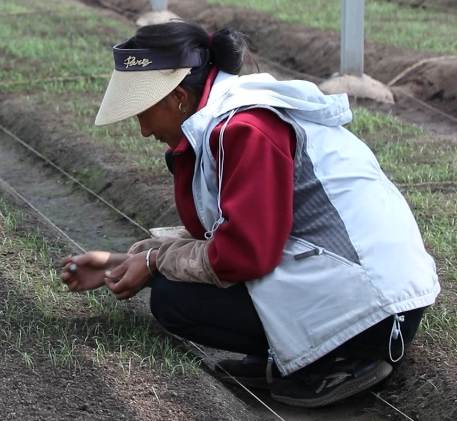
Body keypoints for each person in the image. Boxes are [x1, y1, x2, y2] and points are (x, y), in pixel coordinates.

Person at [60, 21, 439, 408]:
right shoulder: (225, 122)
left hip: (377, 312)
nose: (142, 130)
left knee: (174, 299)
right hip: (365, 294)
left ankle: (339, 358)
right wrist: (133, 259)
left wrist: (155, 263)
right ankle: (291, 352)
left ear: (177, 97)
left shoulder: (246, 129)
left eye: (142, 113)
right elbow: (229, 233)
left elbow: (243, 254)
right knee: (175, 284)